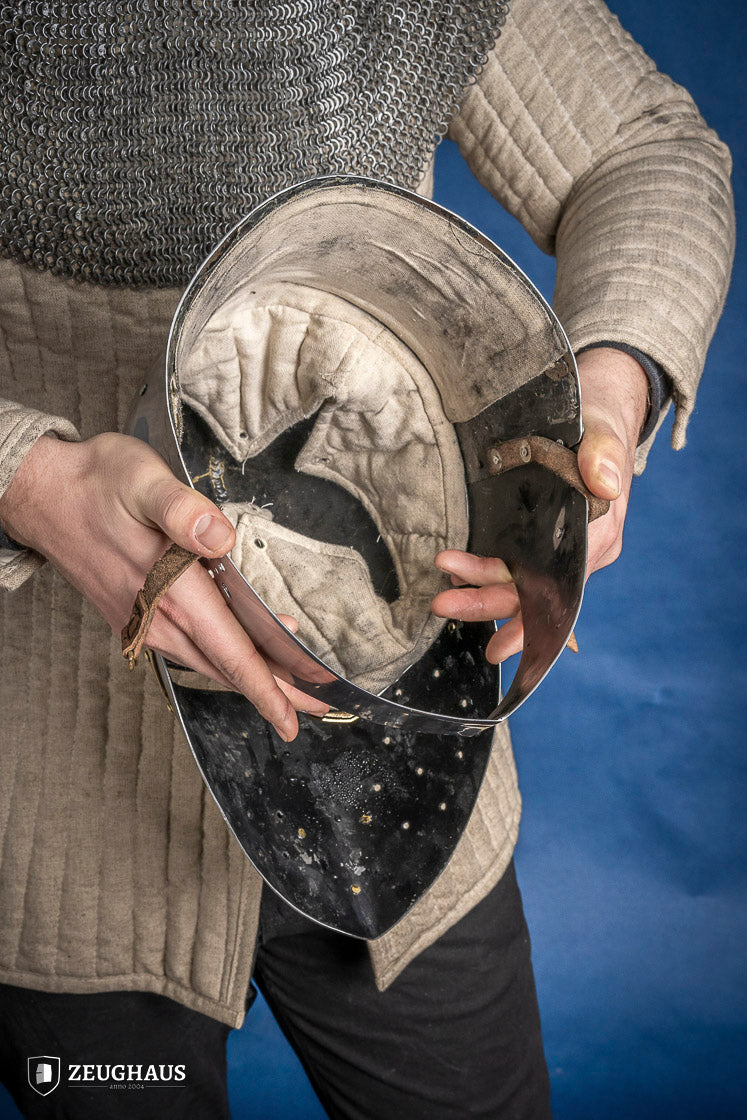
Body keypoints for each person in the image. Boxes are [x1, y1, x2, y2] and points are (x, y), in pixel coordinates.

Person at [0, 1, 734, 1117]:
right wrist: (28, 480)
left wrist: (604, 397)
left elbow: (643, 146)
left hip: (398, 760)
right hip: (59, 804)